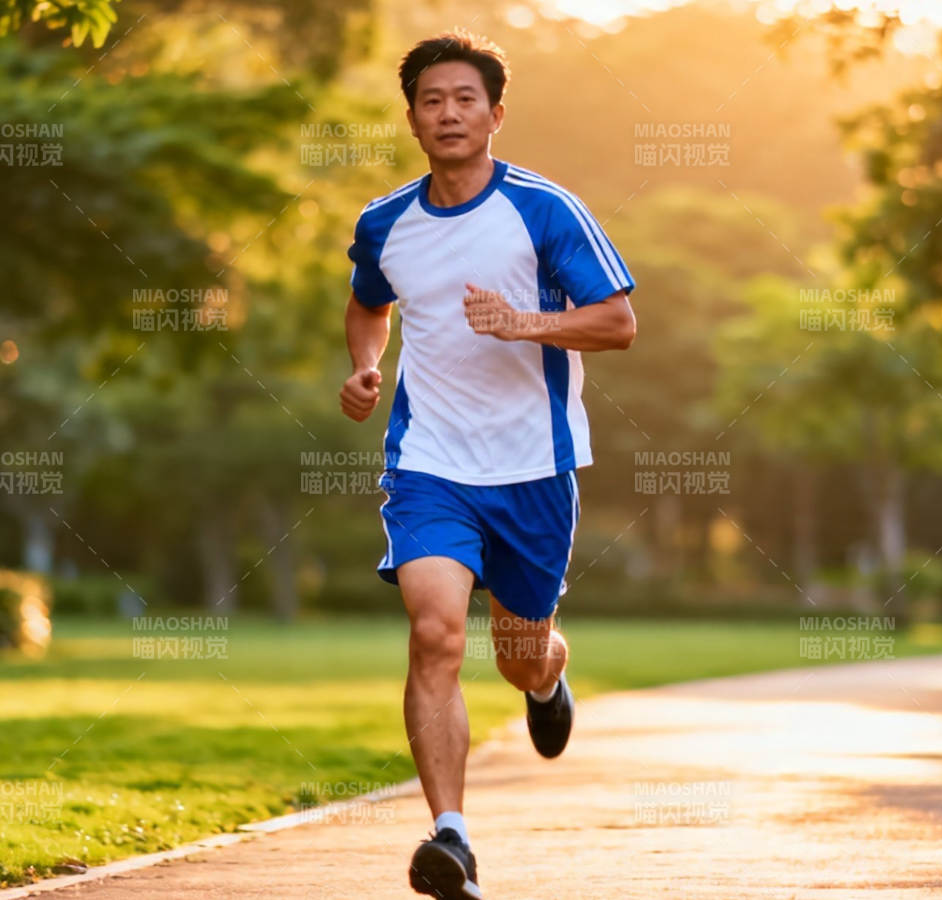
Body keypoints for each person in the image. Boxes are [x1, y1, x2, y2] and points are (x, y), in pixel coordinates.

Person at [338, 28, 637, 900]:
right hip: (428, 463)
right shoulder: (384, 222)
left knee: (516, 652)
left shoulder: (544, 210)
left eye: (465, 98)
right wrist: (363, 367)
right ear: (413, 118)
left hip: (533, 468)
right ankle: (452, 838)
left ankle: (547, 677)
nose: (448, 113)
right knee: (434, 635)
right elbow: (367, 307)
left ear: (496, 114)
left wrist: (527, 324)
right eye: (431, 100)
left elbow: (616, 322)